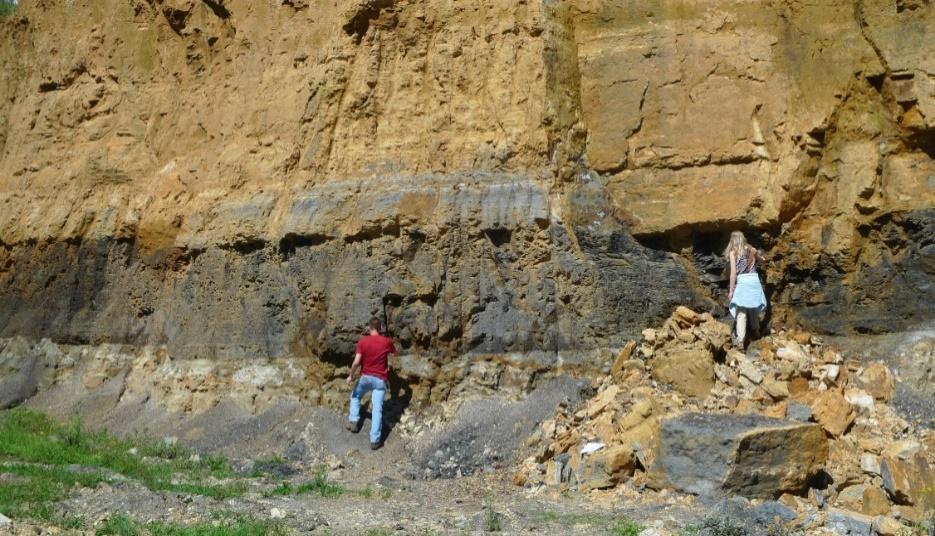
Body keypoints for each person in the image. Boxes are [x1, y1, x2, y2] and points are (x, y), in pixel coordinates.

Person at [346, 317, 396, 450]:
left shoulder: (362, 342)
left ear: (369, 328)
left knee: (356, 396)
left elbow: (356, 362)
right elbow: (394, 354)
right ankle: (374, 440)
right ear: (380, 328)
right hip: (380, 380)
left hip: (366, 378)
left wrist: (351, 376)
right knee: (377, 409)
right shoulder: (386, 342)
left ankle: (354, 421)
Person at [725, 230, 767, 348]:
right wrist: (758, 256)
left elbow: (733, 273)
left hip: (743, 281)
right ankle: (756, 331)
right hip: (754, 280)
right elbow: (762, 260)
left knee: (741, 310)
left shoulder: (734, 252)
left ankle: (740, 340)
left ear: (732, 240)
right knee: (753, 306)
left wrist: (731, 290)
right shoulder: (751, 249)